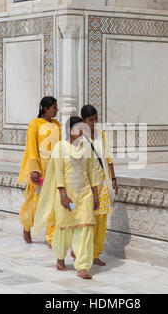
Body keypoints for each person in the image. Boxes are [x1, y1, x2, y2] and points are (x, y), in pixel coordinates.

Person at [33, 116, 101, 279]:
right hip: (66, 195)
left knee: (86, 226)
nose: (83, 132)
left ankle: (83, 266)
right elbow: (59, 173)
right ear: (71, 131)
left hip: (84, 194)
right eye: (80, 129)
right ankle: (60, 258)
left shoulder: (87, 148)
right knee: (65, 226)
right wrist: (63, 195)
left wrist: (95, 195)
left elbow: (92, 171)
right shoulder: (60, 148)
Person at [17, 96, 61, 246]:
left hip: (54, 169)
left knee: (53, 203)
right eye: (54, 107)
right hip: (39, 170)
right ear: (46, 109)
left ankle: (51, 237)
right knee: (36, 202)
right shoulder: (34, 124)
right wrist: (35, 169)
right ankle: (27, 227)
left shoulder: (57, 124)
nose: (57, 110)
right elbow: (31, 148)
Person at [80, 105, 118, 266]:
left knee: (101, 220)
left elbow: (108, 158)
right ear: (83, 120)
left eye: (96, 119)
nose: (94, 122)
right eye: (91, 120)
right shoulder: (80, 138)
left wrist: (114, 179)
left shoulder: (101, 135)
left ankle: (95, 254)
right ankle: (82, 252)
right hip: (87, 184)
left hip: (103, 182)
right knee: (89, 220)